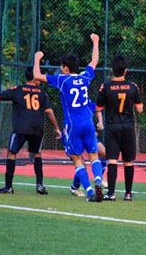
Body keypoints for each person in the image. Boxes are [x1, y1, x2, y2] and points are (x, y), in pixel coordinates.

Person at [33, 33, 104, 202]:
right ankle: (99, 182)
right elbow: (94, 61)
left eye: (61, 67)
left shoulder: (62, 80)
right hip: (88, 121)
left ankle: (90, 192)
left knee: (78, 160)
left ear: (65, 68)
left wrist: (37, 59)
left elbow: (37, 75)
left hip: (73, 124)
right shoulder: (85, 77)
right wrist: (96, 42)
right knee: (94, 156)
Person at [0, 67, 61, 195]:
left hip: (21, 128)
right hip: (37, 128)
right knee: (37, 154)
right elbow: (49, 112)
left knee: (12, 154)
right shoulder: (42, 93)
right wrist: (57, 128)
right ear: (35, 77)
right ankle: (40, 185)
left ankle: (8, 187)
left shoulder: (18, 90)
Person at [96, 55, 143, 201]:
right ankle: (128, 194)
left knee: (112, 160)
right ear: (126, 70)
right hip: (128, 126)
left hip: (112, 126)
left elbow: (98, 107)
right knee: (128, 161)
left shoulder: (106, 86)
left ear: (112, 69)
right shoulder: (133, 86)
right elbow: (140, 109)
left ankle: (111, 193)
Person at [68, 101, 108, 197]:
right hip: (73, 134)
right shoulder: (68, 98)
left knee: (104, 152)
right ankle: (75, 187)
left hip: (87, 133)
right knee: (82, 165)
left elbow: (97, 108)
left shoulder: (85, 98)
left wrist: (100, 122)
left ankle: (99, 178)